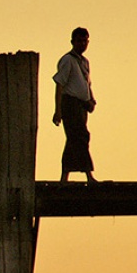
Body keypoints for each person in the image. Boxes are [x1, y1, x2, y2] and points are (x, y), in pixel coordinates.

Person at [52, 26, 98, 183]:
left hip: (81, 105)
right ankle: (88, 174)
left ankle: (65, 176)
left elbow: (86, 84)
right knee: (80, 136)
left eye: (85, 41)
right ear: (72, 42)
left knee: (74, 139)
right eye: (79, 41)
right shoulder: (68, 60)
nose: (82, 44)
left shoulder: (84, 62)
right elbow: (60, 84)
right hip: (70, 103)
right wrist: (58, 110)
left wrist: (91, 99)